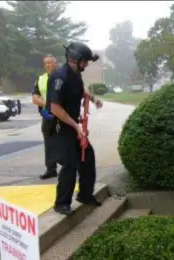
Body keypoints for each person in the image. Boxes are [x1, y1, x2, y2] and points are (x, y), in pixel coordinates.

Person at [45, 42, 103, 216]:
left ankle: (85, 195)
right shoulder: (59, 77)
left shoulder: (75, 74)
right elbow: (55, 108)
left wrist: (92, 99)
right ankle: (61, 203)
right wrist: (76, 125)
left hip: (73, 126)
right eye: (84, 61)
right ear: (75, 59)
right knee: (70, 164)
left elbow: (80, 89)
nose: (86, 65)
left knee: (87, 159)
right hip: (60, 128)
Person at [32, 54, 59, 179]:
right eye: (46, 63)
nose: (48, 65)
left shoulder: (63, 77)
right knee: (49, 142)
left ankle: (71, 167)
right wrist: (47, 105)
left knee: (66, 141)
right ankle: (51, 169)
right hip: (48, 115)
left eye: (50, 62)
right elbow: (35, 97)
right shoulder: (40, 79)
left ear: (56, 63)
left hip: (63, 114)